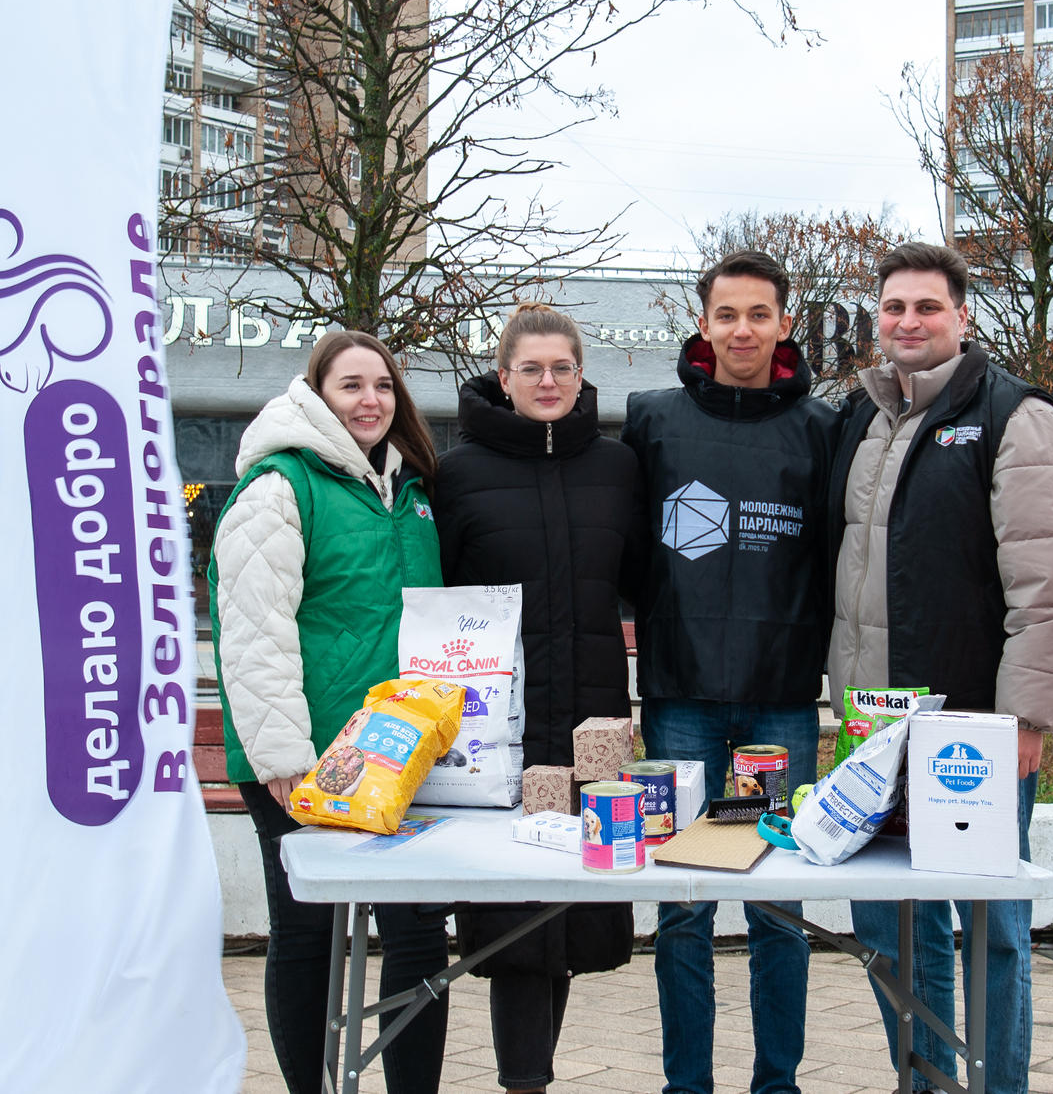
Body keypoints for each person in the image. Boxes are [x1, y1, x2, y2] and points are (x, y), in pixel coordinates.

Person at [827, 242, 1053, 1094]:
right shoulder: (858, 420)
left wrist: (1028, 721)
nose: (909, 321)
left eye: (928, 307)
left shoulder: (1016, 416)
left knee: (992, 930)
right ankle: (929, 1080)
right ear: (878, 319)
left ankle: (998, 1086)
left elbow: (1051, 587)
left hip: (972, 730)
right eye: (894, 307)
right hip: (874, 729)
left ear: (962, 316)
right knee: (891, 926)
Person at [621, 250, 839, 1094]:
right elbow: (631, 549)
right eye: (727, 314)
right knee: (683, 911)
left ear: (785, 323)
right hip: (680, 703)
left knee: (779, 908)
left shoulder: (824, 427)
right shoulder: (652, 418)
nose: (742, 329)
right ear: (702, 322)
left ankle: (776, 1082)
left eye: (759, 314)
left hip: (781, 704)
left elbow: (835, 556)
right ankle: (688, 1084)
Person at [209, 330, 450, 1094]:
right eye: (350, 385)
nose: (370, 400)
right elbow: (252, 630)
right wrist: (284, 757)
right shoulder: (280, 487)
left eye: (382, 385)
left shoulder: (408, 491)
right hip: (305, 760)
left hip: (397, 757)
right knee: (309, 933)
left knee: (416, 937)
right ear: (315, 394)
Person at [433, 303, 642, 1093]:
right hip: (498, 727)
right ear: (503, 376)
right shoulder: (457, 474)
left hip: (591, 718)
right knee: (516, 908)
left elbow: (642, 579)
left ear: (581, 375)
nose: (547, 381)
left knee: (572, 903)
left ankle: (535, 1073)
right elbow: (437, 596)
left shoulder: (618, 468)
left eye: (562, 367)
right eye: (532, 368)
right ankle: (524, 1081)